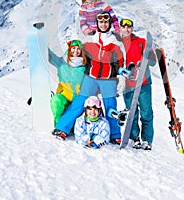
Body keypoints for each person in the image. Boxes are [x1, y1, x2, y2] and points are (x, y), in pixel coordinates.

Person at [54, 11, 125, 144]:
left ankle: (115, 134)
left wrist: (121, 76)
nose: (103, 24)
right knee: (80, 102)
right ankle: (62, 128)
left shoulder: (115, 41)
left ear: (109, 23)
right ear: (97, 24)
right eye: (100, 22)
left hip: (108, 78)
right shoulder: (90, 38)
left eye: (105, 22)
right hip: (91, 77)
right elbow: (82, 56)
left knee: (111, 106)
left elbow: (120, 62)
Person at [120, 18, 157, 150]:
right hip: (128, 85)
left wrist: (147, 58)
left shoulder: (141, 42)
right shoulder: (118, 43)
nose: (126, 29)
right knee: (132, 113)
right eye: (123, 27)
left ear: (132, 28)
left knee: (146, 112)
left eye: (129, 27)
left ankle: (147, 140)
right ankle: (135, 138)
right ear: (120, 28)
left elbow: (153, 62)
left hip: (144, 83)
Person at [48, 39, 86, 129]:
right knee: (56, 100)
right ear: (69, 49)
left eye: (78, 49)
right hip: (64, 96)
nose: (76, 51)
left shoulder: (85, 66)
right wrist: (39, 39)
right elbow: (50, 56)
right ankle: (58, 125)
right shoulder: (62, 62)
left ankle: (70, 127)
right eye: (73, 48)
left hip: (77, 99)